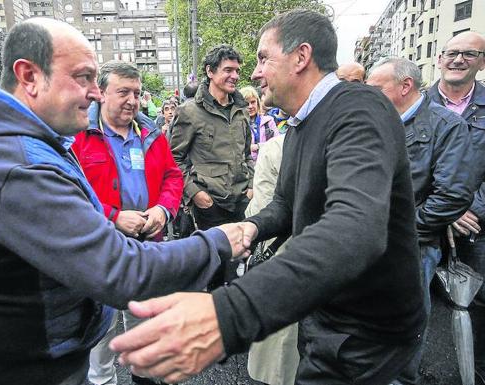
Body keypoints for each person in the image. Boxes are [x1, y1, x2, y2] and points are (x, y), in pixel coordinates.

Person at [110, 10, 426, 385]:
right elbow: (288, 205)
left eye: (263, 58)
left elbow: (354, 228)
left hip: (367, 332)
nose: (254, 73)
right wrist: (251, 227)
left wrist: (226, 316)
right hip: (326, 314)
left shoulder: (358, 108)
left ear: (301, 56)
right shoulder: (298, 124)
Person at [0, 18, 245, 385]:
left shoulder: (34, 144)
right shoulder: (13, 165)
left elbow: (168, 176)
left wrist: (162, 208)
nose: (96, 93)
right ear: (28, 76)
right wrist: (220, 241)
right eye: (83, 77)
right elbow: (120, 269)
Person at [71, 60, 183, 385]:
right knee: (100, 344)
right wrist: (114, 217)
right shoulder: (79, 137)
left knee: (145, 333)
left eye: (136, 92)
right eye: (123, 92)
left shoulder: (150, 133)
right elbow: (70, 192)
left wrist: (163, 210)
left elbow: (173, 176)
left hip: (146, 249)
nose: (132, 100)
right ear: (101, 94)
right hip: (99, 253)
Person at [367, 57, 473, 385]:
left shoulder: (446, 126)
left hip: (414, 245)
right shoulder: (377, 119)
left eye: (376, 89)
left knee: (405, 323)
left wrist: (405, 229)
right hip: (370, 240)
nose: (368, 96)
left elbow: (453, 195)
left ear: (405, 86)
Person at [170, 44, 254, 289]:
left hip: (241, 201)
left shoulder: (241, 111)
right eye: (228, 70)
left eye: (237, 71)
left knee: (242, 270)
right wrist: (195, 193)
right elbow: (174, 159)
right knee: (215, 275)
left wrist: (251, 184)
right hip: (210, 206)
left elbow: (247, 153)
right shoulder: (189, 112)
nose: (235, 76)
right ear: (210, 72)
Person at [427, 31, 485, 384]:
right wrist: (446, 209)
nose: (457, 59)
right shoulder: (417, 104)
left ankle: (474, 372)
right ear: (439, 58)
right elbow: (409, 165)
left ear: (481, 61)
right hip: (430, 221)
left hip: (477, 225)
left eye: (469, 53)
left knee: (479, 304)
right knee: (422, 303)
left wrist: (470, 208)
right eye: (451, 52)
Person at [243, 131, 298, 385]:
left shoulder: (275, 147)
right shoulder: (348, 140)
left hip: (280, 256)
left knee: (278, 350)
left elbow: (261, 208)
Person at [240, 86, 276, 161]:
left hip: (267, 164)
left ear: (258, 102)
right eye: (246, 103)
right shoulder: (237, 124)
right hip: (247, 167)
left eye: (253, 102)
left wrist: (257, 146)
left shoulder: (269, 121)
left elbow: (277, 144)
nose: (250, 106)